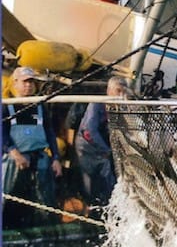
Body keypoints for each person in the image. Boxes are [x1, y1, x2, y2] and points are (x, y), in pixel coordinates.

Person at [2, 66, 63, 225]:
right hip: (14, 159)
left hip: (39, 157)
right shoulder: (6, 106)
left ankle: (45, 227)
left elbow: (49, 132)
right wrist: (14, 153)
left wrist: (56, 158)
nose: (29, 86)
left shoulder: (40, 105)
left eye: (31, 82)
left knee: (44, 198)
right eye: (25, 82)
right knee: (9, 196)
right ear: (14, 83)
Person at [74, 76, 129, 205]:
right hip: (87, 145)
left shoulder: (119, 107)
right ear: (109, 91)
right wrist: (106, 149)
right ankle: (91, 205)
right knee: (90, 177)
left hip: (102, 145)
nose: (121, 95)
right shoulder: (96, 104)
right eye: (118, 91)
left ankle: (107, 202)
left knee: (106, 173)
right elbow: (90, 130)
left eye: (123, 92)